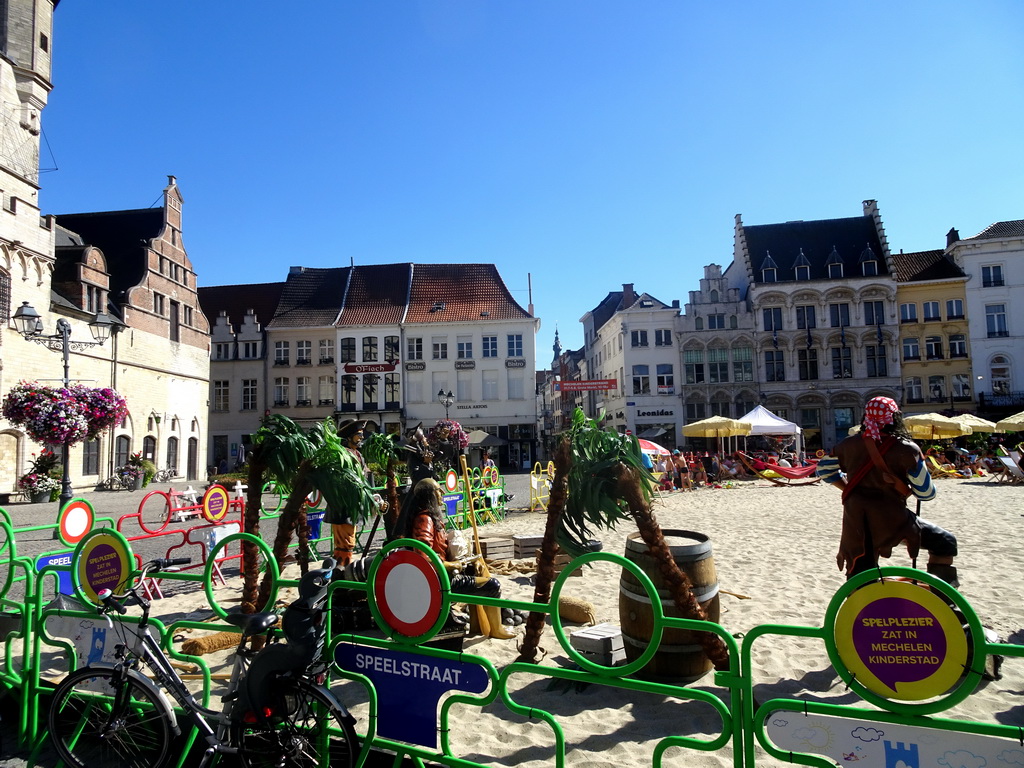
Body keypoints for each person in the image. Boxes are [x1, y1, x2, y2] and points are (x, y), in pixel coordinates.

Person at [816, 397, 959, 586]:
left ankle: (860, 608)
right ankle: (942, 596)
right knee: (945, 542)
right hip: (893, 519)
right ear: (895, 418)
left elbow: (824, 470)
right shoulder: (907, 449)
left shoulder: (847, 445)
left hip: (857, 520)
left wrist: (849, 488)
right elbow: (926, 493)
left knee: (860, 566)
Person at [406, 477, 501, 599]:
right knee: (493, 585)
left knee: (477, 569)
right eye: (439, 490)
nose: (443, 493)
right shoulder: (425, 519)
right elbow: (423, 558)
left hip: (442, 571)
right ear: (431, 495)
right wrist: (452, 565)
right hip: (438, 579)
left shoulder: (430, 518)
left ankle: (481, 616)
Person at [329, 419, 368, 567]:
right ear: (348, 437)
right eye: (359, 435)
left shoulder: (357, 454)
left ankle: (341, 573)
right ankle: (339, 575)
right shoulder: (341, 455)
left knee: (348, 544)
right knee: (344, 545)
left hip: (353, 507)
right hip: (343, 507)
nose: (361, 438)